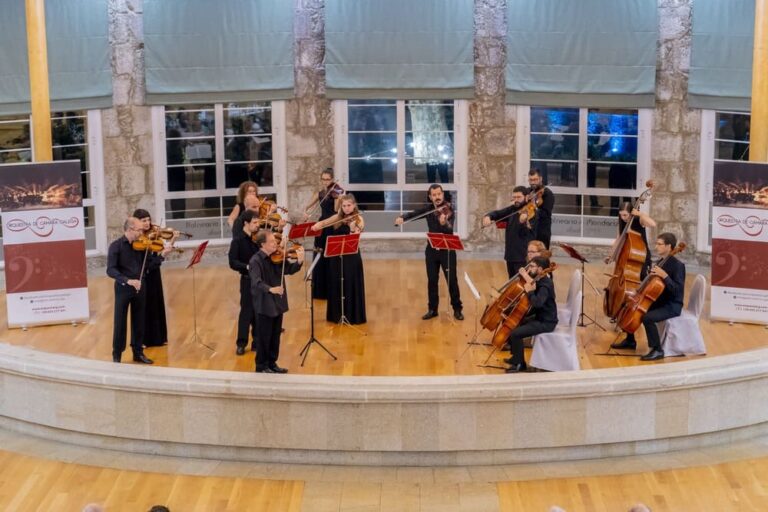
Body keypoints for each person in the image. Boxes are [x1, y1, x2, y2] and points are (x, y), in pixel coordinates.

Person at [610, 233, 685, 361]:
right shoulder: (662, 262)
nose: (656, 247)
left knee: (647, 317)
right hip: (659, 300)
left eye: (659, 244)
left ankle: (657, 350)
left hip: (672, 305)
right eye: (656, 244)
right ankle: (630, 341)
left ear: (669, 246)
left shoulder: (678, 266)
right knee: (628, 303)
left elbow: (677, 291)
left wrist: (665, 276)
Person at [107, 218, 172, 364]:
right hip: (123, 288)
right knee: (120, 322)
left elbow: (149, 265)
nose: (142, 232)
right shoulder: (116, 246)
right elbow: (110, 270)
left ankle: (138, 352)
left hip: (140, 287)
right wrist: (127, 280)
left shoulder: (142, 247)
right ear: (130, 229)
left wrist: (162, 256)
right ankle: (117, 354)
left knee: (139, 321)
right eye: (139, 230)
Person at [395, 184, 463, 321]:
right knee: (432, 280)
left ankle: (457, 309)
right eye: (434, 195)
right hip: (431, 249)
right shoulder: (428, 209)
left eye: (439, 194)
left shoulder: (449, 209)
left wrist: (444, 223)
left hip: (447, 250)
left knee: (452, 280)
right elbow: (415, 213)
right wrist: (403, 218)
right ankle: (433, 309)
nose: (437, 197)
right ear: (430, 197)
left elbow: (449, 230)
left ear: (443, 194)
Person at [249, 231, 305, 373]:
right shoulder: (255, 261)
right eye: (272, 242)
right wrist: (271, 289)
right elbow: (256, 282)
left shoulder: (277, 256)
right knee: (264, 337)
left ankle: (272, 363)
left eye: (275, 241)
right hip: (264, 303)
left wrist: (299, 262)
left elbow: (289, 270)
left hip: (277, 302)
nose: (276, 244)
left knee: (275, 336)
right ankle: (262, 366)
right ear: (263, 245)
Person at [312, 194, 367, 324]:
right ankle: (337, 314)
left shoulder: (358, 218)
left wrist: (353, 229)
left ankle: (352, 315)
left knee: (349, 282)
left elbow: (356, 235)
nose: (347, 208)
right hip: (336, 255)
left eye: (349, 205)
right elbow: (325, 222)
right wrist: (317, 225)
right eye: (344, 206)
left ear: (354, 205)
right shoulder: (338, 217)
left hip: (351, 257)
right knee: (336, 282)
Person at [502, 256, 558, 373]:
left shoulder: (544, 285)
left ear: (540, 268)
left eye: (532, 266)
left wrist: (530, 292)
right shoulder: (540, 279)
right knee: (515, 324)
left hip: (546, 322)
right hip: (540, 317)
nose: (529, 269)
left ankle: (520, 364)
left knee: (516, 334)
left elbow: (537, 303)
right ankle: (516, 357)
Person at [133, 209, 177, 347]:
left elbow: (161, 251)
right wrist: (162, 255)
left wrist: (173, 238)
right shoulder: (137, 239)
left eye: (148, 220)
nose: (147, 223)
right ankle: (143, 340)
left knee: (156, 304)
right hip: (143, 275)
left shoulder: (154, 235)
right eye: (143, 220)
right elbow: (148, 263)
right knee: (144, 307)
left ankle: (158, 338)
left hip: (154, 274)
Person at [303, 168, 342, 300]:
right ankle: (320, 289)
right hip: (321, 226)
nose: (325, 182)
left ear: (332, 179)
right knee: (319, 253)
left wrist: (339, 197)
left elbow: (337, 210)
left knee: (330, 255)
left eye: (328, 179)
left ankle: (332, 290)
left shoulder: (337, 191)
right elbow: (308, 206)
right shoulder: (320, 193)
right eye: (323, 179)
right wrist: (306, 212)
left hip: (331, 224)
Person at [482, 186, 535, 278]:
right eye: (514, 197)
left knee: (522, 283)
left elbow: (529, 232)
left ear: (526, 197)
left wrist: (523, 222)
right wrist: (488, 216)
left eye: (519, 197)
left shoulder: (532, 212)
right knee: (511, 282)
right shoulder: (512, 209)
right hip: (510, 254)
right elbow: (498, 213)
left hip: (522, 256)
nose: (516, 200)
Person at [228, 209, 261, 355]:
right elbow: (233, 262)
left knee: (259, 312)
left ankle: (257, 342)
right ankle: (241, 343)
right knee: (246, 312)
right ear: (246, 223)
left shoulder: (258, 239)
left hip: (260, 280)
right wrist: (246, 266)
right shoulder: (237, 241)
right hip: (247, 280)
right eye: (255, 223)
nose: (258, 225)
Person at [528, 168, 555, 249]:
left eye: (535, 180)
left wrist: (533, 207)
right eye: (530, 180)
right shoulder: (528, 192)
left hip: (542, 231)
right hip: (530, 231)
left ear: (540, 179)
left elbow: (546, 213)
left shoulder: (547, 194)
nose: (532, 182)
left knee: (541, 258)